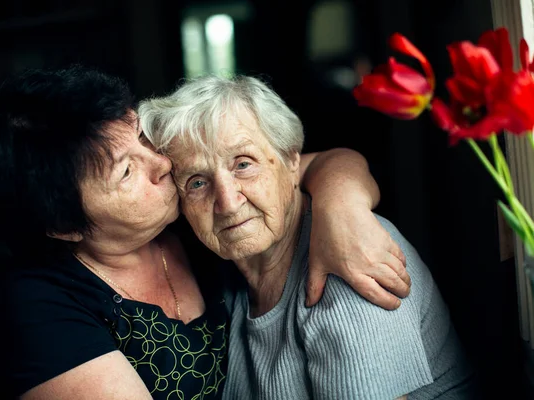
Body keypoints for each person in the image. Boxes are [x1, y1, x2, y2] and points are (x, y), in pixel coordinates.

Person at [0, 65, 408, 400]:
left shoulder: (192, 207)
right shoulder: (41, 303)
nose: (162, 164)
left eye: (142, 137)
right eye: (127, 171)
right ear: (66, 227)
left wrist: (342, 212)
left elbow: (311, 164)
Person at [139, 74, 478, 399]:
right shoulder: (228, 273)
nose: (227, 203)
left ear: (291, 162)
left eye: (243, 164)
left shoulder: (350, 266)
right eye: (197, 182)